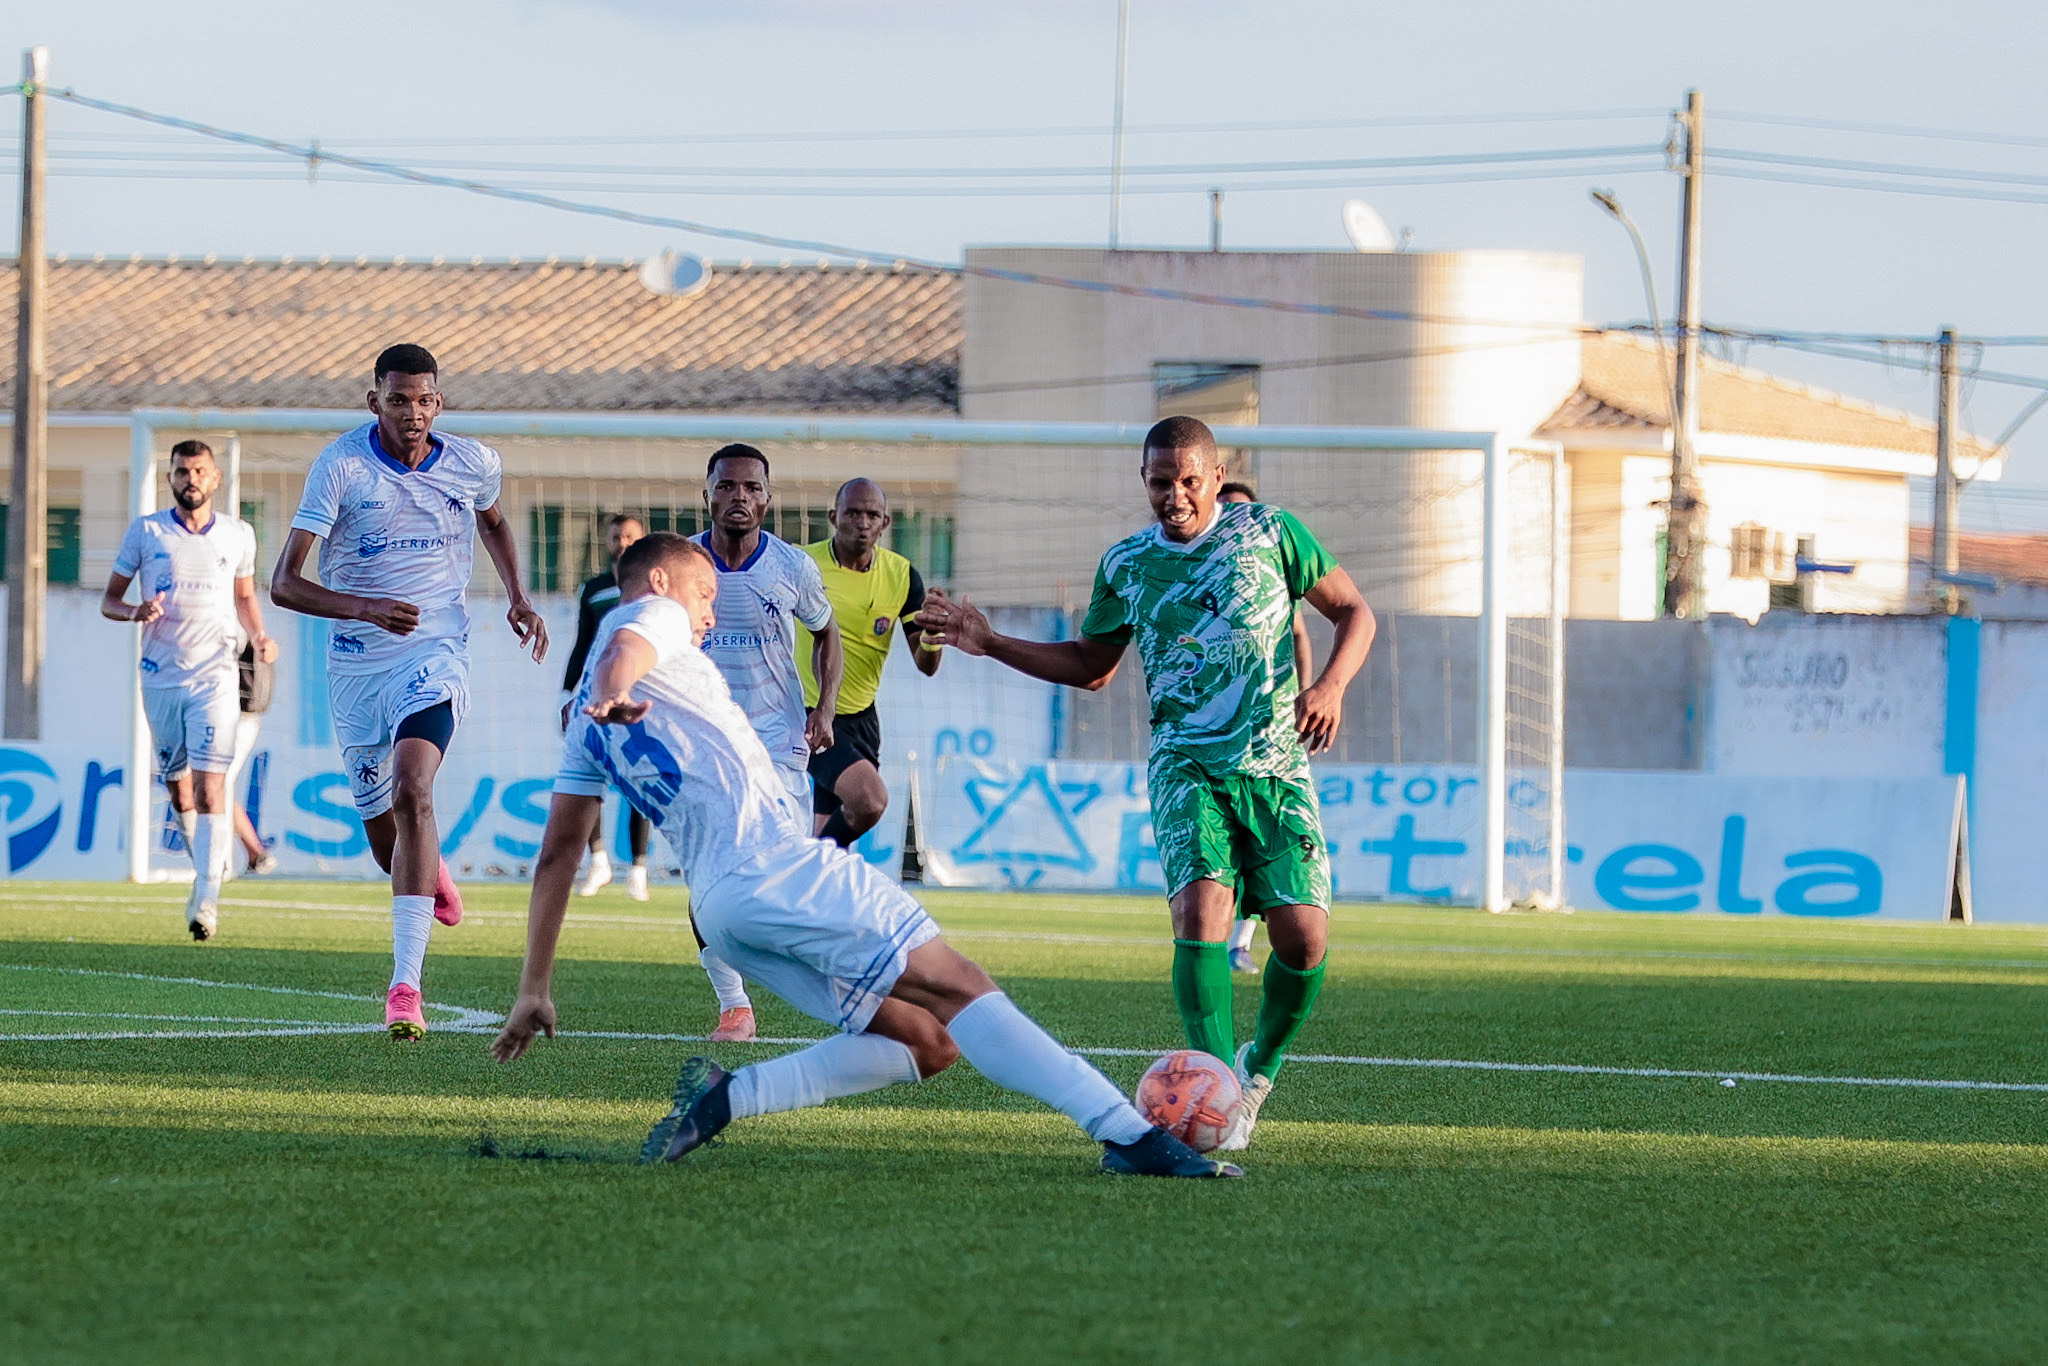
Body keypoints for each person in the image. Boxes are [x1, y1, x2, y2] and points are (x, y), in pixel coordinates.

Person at [489, 532, 1238, 1180]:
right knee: (958, 984)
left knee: (926, 1040)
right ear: (659, 584)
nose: (711, 612)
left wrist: (534, 986)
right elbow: (626, 644)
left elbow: (558, 853)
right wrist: (619, 686)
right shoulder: (644, 623)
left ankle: (727, 1097)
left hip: (720, 911)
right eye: (705, 593)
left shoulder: (581, 719)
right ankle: (1129, 1133)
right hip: (776, 867)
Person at [916, 416, 1376, 1151]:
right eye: (1161, 483)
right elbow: (1091, 668)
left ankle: (1261, 1065)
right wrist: (990, 641)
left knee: (1305, 940)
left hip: (1275, 765)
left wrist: (1329, 687)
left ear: (1216, 477)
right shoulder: (1127, 563)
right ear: (1145, 481)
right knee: (1201, 916)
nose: (1176, 496)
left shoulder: (1272, 532)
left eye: (1190, 480)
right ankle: (1218, 1089)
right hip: (1185, 765)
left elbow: (1355, 611)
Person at [270, 343, 548, 1040]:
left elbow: (493, 519)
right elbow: (284, 583)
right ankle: (432, 874)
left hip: (434, 650)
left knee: (414, 786)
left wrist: (517, 594)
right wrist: (364, 608)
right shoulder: (341, 467)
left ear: (439, 403)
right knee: (383, 836)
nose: (413, 413)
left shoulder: (471, 463)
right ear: (375, 403)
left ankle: (404, 988)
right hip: (357, 665)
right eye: (399, 400)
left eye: (425, 400)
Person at [686, 443, 845, 1044]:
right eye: (727, 487)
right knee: (706, 876)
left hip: (779, 743)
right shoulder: (681, 568)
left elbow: (827, 633)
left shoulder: (792, 567)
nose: (739, 498)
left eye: (751, 488)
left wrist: (825, 706)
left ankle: (820, 967)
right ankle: (734, 1005)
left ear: (768, 499)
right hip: (702, 744)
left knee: (781, 874)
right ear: (708, 494)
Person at [101, 440, 277, 940]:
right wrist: (135, 610)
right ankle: (206, 866)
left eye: (200, 471)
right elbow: (110, 600)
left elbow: (245, 595)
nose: (191, 479)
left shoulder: (238, 535)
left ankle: (207, 897)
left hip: (216, 675)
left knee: (211, 785)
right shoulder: (147, 532)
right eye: (182, 471)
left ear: (215, 478)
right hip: (160, 674)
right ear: (171, 479)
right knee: (178, 787)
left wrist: (260, 635)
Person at [797, 478, 941, 849]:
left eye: (872, 515)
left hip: (861, 716)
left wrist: (932, 635)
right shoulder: (803, 565)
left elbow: (926, 664)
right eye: (853, 513)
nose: (862, 522)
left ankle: (811, 889)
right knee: (869, 800)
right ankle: (802, 872)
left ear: (885, 523)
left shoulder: (902, 576)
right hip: (809, 711)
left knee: (828, 835)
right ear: (834, 517)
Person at [1218, 480, 1314, 973]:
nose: (1236, 520)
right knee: (1217, 866)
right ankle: (1225, 946)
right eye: (1227, 510)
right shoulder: (1190, 576)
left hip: (1269, 742)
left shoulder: (1273, 574)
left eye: (1244, 512)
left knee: (1274, 864)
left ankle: (1241, 942)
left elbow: (1301, 631)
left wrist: (1309, 692)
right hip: (1208, 748)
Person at [560, 513, 653, 901]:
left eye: (631, 536)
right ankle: (598, 861)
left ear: (643, 539)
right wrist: (568, 693)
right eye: (617, 537)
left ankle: (638, 869)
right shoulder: (595, 588)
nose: (624, 543)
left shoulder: (654, 588)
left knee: (640, 781)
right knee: (589, 773)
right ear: (608, 542)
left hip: (640, 695)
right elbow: (584, 644)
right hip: (596, 696)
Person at [227, 638, 279, 876]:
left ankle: (244, 856)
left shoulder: (241, 629)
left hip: (238, 717)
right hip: (238, 716)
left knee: (216, 786)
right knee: (215, 786)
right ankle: (254, 855)